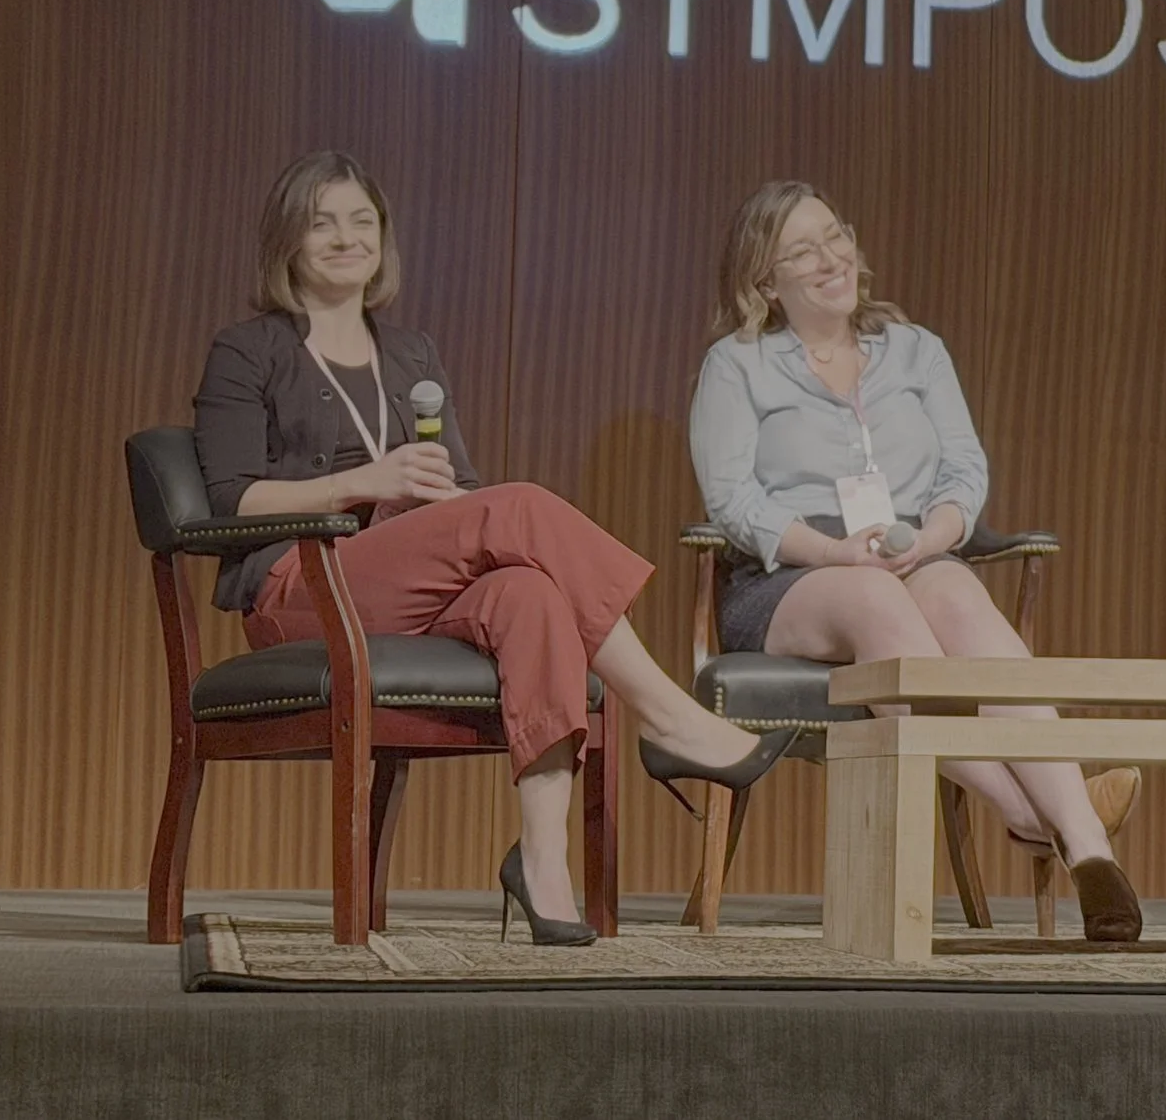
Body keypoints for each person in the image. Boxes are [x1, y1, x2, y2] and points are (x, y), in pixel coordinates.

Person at [193, 152, 796, 947]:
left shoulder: (412, 355)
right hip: (301, 588)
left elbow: (466, 495)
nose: (346, 237)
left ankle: (543, 863)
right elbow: (231, 498)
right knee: (519, 509)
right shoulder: (249, 350)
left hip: (409, 586)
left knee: (530, 594)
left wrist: (432, 503)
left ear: (384, 238)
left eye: (362, 220)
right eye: (322, 221)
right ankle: (667, 715)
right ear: (288, 241)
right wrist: (363, 482)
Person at [687, 181, 1142, 943]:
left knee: (959, 596)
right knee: (878, 606)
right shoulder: (738, 364)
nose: (831, 258)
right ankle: (1033, 810)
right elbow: (733, 499)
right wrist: (834, 550)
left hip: (908, 546)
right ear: (766, 280)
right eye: (803, 249)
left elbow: (965, 468)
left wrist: (936, 533)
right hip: (789, 576)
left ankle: (1090, 849)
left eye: (835, 236)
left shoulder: (916, 350)